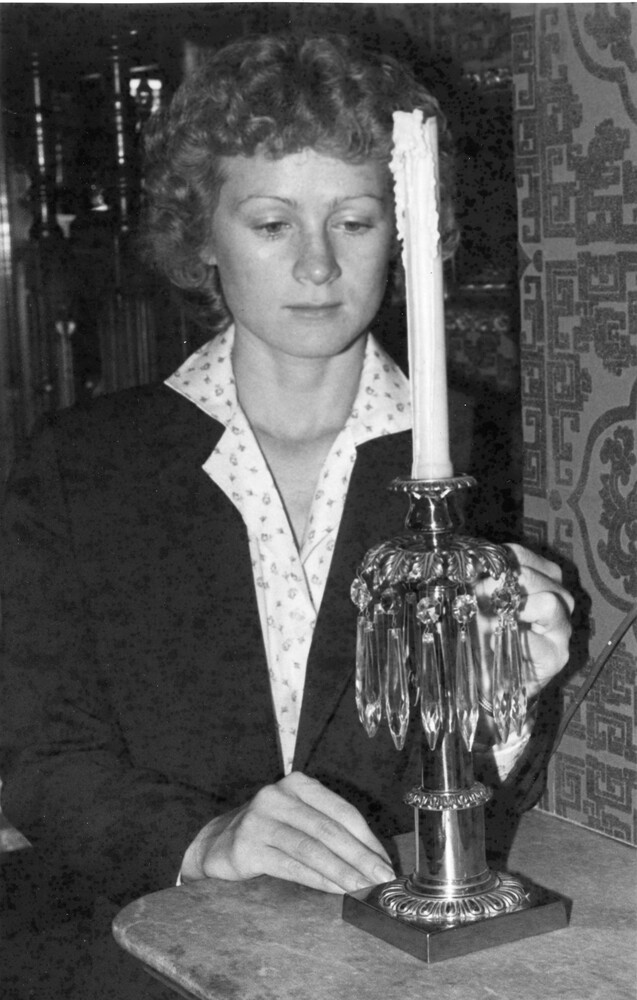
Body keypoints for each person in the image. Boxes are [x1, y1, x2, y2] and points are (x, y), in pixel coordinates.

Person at [0, 32, 573, 999]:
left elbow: (486, 802)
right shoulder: (83, 464)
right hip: (124, 956)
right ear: (202, 236)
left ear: (405, 233)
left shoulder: (472, 458)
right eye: (271, 224)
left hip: (394, 970)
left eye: (353, 220)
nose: (316, 265)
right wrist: (204, 840)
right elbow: (40, 758)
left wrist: (510, 694)